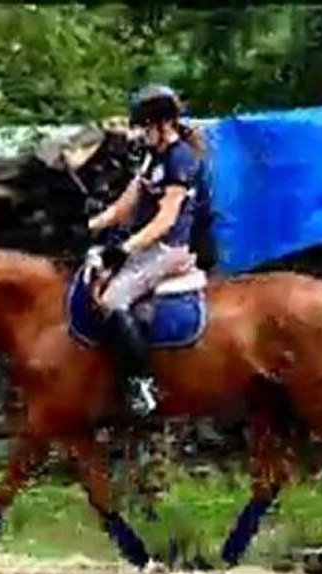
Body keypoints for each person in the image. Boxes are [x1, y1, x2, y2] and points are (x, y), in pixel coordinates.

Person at [86, 84, 208, 417]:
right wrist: (93, 223)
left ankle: (143, 385)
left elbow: (166, 219)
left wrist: (122, 250)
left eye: (145, 127)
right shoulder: (152, 156)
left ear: (163, 124)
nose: (140, 133)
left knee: (112, 300)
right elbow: (127, 203)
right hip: (148, 244)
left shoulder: (181, 158)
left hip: (169, 248)